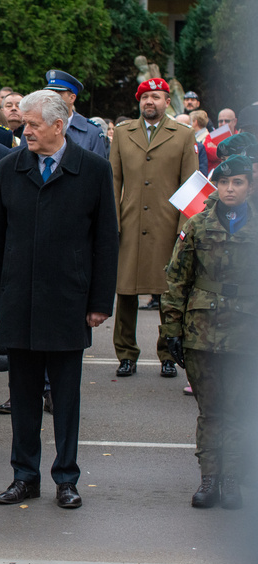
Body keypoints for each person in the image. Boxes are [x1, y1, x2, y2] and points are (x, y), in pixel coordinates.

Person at [0, 90, 119, 509]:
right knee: (22, 398)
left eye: (33, 125)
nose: (25, 131)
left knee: (64, 398)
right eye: (23, 124)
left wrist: (100, 302)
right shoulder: (10, 169)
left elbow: (105, 242)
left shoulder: (93, 170)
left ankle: (66, 478)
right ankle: (24, 476)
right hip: (19, 302)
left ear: (58, 126)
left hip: (67, 301)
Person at [160, 155, 258, 510]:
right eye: (224, 183)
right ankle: (210, 477)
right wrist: (170, 331)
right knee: (211, 410)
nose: (230, 189)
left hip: (246, 334)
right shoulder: (198, 225)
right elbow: (176, 280)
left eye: (238, 183)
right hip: (201, 332)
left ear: (250, 185)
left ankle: (231, 478)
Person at [110, 78, 199, 379]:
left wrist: (183, 229)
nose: (150, 102)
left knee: (168, 292)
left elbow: (191, 185)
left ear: (166, 102)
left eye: (157, 97)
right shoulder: (122, 134)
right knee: (125, 292)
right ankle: (125, 354)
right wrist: (114, 221)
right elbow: (114, 180)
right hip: (130, 222)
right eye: (145, 97)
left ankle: (168, 353)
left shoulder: (184, 135)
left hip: (167, 225)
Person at [20, 70, 108, 158]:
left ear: (72, 98)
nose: (52, 98)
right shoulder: (31, 127)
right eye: (48, 94)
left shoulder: (92, 131)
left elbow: (97, 167)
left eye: (58, 94)